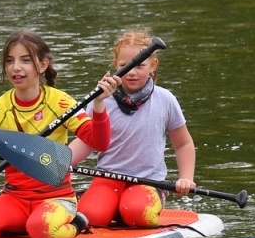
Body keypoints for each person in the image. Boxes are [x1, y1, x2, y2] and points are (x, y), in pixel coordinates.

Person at [0, 30, 114, 238]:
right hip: (15, 197)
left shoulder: (61, 102)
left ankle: (77, 221)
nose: (15, 67)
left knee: (41, 229)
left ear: (43, 65)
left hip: (56, 197)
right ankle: (30, 224)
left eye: (25, 60)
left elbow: (99, 143)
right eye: (10, 61)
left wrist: (99, 106)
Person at [72, 29, 197, 227]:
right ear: (115, 65)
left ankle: (125, 207)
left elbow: (183, 144)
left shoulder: (165, 99)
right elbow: (87, 142)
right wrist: (59, 162)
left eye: (140, 66)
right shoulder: (100, 100)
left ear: (153, 66)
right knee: (91, 217)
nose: (131, 72)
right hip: (108, 178)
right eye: (125, 66)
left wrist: (186, 178)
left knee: (137, 213)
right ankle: (107, 206)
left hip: (148, 182)